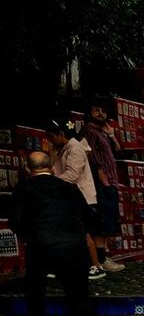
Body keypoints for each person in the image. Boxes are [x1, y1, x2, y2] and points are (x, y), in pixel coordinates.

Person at [12, 152, 101, 316]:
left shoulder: (24, 189)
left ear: (27, 169)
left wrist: (30, 236)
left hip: (40, 245)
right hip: (72, 247)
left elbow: (16, 221)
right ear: (52, 167)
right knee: (79, 296)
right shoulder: (69, 188)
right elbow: (88, 217)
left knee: (34, 286)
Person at [46, 120, 103, 280]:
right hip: (69, 197)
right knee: (68, 232)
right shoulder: (62, 149)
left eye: (51, 136)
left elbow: (71, 175)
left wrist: (49, 184)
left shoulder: (75, 149)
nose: (50, 140)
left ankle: (96, 265)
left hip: (80, 198)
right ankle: (67, 266)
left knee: (82, 233)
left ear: (61, 134)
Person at [82, 102, 125, 274]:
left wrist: (112, 135)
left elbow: (119, 151)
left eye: (103, 110)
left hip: (110, 180)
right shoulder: (89, 132)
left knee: (108, 220)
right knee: (102, 219)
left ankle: (103, 255)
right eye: (96, 109)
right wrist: (104, 180)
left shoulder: (103, 132)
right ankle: (100, 258)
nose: (100, 113)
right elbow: (94, 158)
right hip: (102, 181)